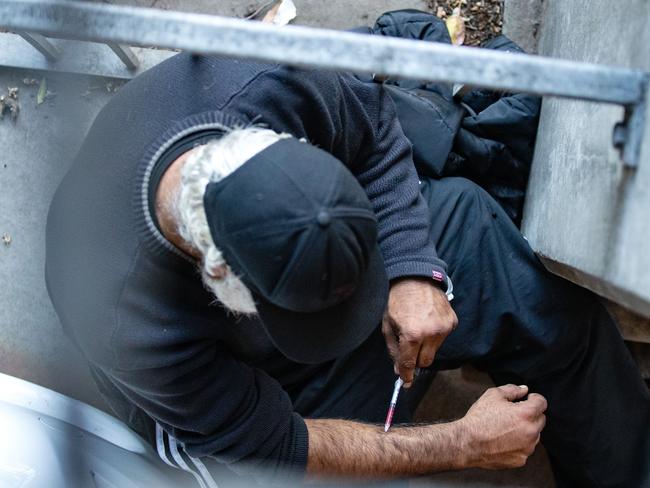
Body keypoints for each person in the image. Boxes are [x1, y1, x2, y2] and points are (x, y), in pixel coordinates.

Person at [45, 10, 650, 488]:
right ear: (219, 272)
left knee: (515, 277)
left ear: (284, 143)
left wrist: (413, 269)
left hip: (326, 263)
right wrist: (460, 444)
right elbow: (276, 448)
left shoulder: (274, 75)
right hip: (250, 386)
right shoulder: (126, 320)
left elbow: (378, 136)